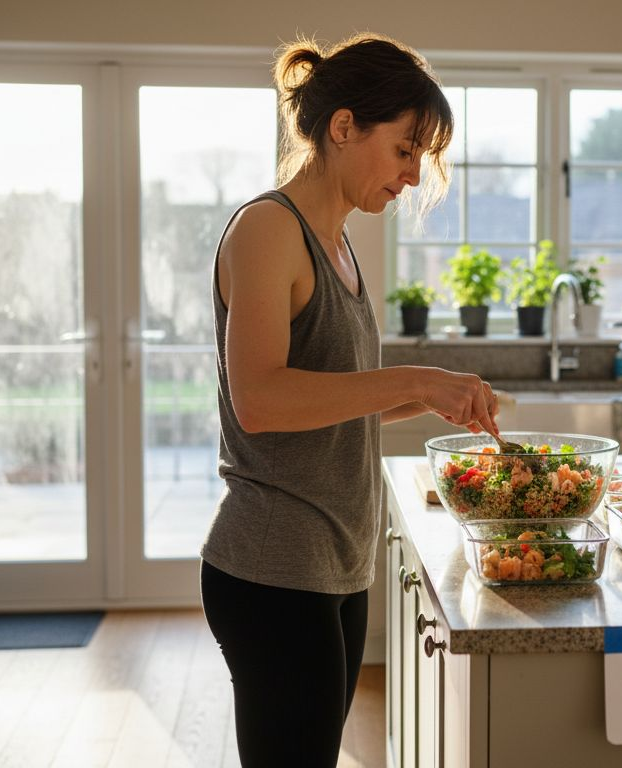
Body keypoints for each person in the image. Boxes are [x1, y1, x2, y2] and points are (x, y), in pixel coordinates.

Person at [200, 33, 500, 767]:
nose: (411, 175)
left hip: (334, 560)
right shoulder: (268, 229)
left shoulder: (337, 243)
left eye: (420, 158)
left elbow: (334, 397)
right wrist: (418, 380)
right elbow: (261, 401)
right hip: (272, 566)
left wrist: (435, 397)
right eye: (405, 149)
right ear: (343, 127)